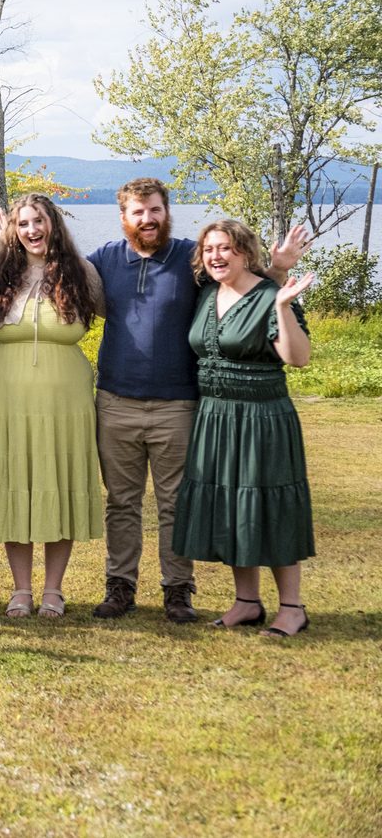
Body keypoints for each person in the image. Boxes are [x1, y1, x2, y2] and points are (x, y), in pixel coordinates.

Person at [86, 179, 309, 624]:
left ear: (166, 211)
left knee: (175, 502)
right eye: (137, 212)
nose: (147, 219)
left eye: (154, 210)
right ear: (124, 217)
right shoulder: (105, 259)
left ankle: (177, 591)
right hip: (115, 400)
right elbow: (53, 269)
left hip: (179, 404)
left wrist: (279, 270)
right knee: (121, 502)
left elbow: (245, 287)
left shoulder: (193, 260)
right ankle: (120, 586)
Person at [172, 220, 317, 638]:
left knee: (270, 507)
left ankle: (292, 608)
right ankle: (247, 602)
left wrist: (285, 307)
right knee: (232, 506)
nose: (217, 256)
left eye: (227, 249)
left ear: (245, 252)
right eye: (210, 249)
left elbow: (298, 358)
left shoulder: (273, 295)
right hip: (215, 416)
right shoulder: (207, 294)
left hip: (261, 418)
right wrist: (278, 268)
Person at [0, 194, 103, 619]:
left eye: (39, 221)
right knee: (16, 483)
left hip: (66, 398)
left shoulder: (82, 272)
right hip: (6, 396)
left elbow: (125, 314)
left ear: (54, 224)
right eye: (23, 223)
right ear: (13, 229)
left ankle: (53, 590)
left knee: (57, 482)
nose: (32, 230)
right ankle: (21, 590)